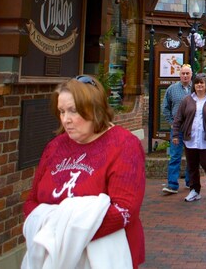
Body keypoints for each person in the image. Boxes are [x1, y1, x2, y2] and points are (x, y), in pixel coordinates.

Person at [24, 75, 145, 268]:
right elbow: (31, 202)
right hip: (53, 255)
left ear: (95, 108)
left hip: (105, 258)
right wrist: (58, 230)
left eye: (73, 111)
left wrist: (64, 232)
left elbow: (124, 210)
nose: (66, 120)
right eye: (61, 111)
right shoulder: (55, 147)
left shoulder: (124, 145)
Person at [172, 73, 206, 202]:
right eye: (197, 83)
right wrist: (175, 134)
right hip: (190, 139)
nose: (199, 85)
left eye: (202, 83)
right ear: (194, 85)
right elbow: (178, 119)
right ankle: (195, 190)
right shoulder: (187, 100)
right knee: (192, 166)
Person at [161, 64, 192, 195]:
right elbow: (165, 107)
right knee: (175, 156)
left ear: (191, 75)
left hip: (192, 128)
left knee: (192, 156)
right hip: (177, 129)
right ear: (179, 75)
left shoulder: (196, 89)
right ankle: (172, 184)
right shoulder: (172, 89)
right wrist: (171, 122)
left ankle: (191, 181)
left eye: (187, 73)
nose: (185, 76)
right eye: (183, 73)